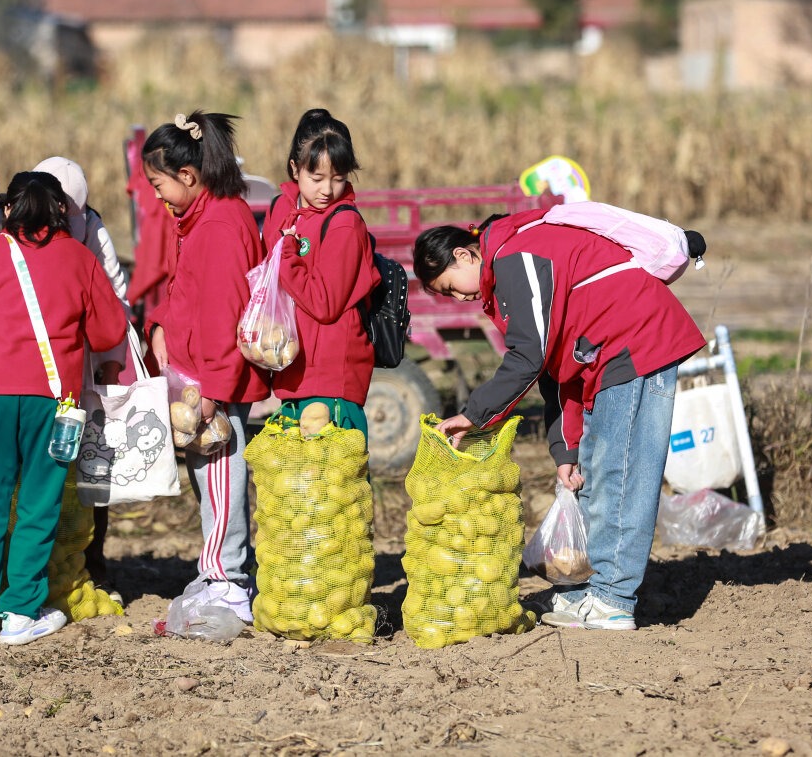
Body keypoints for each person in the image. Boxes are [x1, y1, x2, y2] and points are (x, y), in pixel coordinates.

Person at [414, 207, 706, 630]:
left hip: (635, 342)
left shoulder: (516, 256)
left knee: (620, 473)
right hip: (604, 355)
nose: (461, 299)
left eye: (451, 288)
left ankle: (614, 598)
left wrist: (472, 415)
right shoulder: (508, 271)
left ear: (464, 255)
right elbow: (554, 369)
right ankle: (597, 588)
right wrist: (565, 449)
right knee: (593, 473)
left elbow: (528, 358)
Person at [0, 171, 124, 646]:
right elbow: (110, 333)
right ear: (62, 211)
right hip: (54, 399)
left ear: (8, 210)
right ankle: (20, 613)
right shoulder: (79, 257)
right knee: (38, 502)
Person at [144, 110, 270, 623]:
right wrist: (160, 325)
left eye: (158, 183)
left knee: (220, 474)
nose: (155, 194)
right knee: (211, 477)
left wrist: (213, 388)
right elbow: (188, 294)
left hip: (211, 380)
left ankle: (228, 579)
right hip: (199, 375)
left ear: (189, 176)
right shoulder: (205, 217)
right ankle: (218, 569)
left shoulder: (217, 224)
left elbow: (221, 311)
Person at [262, 108, 379, 439]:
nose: (327, 190)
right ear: (294, 169)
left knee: (336, 483)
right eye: (316, 178)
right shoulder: (280, 210)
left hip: (331, 376)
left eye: (338, 178)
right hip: (291, 370)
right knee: (297, 484)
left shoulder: (345, 223)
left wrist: (287, 254)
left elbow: (324, 303)